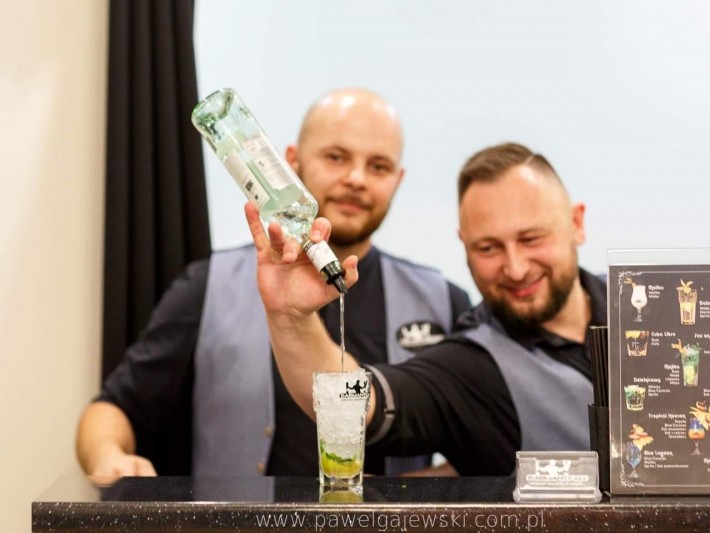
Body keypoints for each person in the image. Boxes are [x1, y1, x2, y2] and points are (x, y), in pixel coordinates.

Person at [76, 88, 472, 478]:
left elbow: (481, 444)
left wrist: (403, 495)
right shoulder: (209, 286)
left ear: (398, 179)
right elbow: (114, 408)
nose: (356, 179)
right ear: (289, 163)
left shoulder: (441, 301)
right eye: (336, 157)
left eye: (379, 167)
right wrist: (109, 457)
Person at [248, 142, 606, 475]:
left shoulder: (636, 300)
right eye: (488, 248)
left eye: (531, 239)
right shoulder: (471, 369)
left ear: (577, 223)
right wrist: (291, 318)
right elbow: (361, 405)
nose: (515, 268)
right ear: (464, 246)